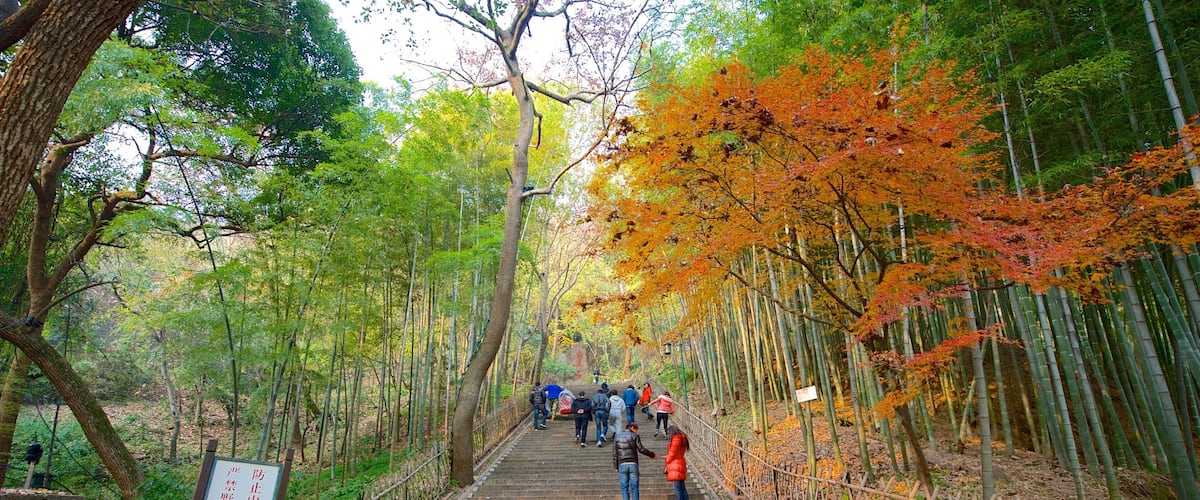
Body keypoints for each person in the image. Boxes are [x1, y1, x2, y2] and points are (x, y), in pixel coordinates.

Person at [612, 423, 659, 500]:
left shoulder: (617, 436)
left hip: (622, 464)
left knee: (624, 487)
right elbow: (641, 449)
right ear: (632, 427)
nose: (636, 431)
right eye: (636, 429)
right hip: (633, 464)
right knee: (635, 487)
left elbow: (614, 452)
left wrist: (615, 466)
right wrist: (652, 455)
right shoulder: (634, 436)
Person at [664, 425, 690, 500]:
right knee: (682, 488)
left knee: (678, 489)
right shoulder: (682, 438)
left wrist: (667, 459)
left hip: (675, 466)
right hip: (680, 463)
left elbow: (672, 453)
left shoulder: (676, 439)